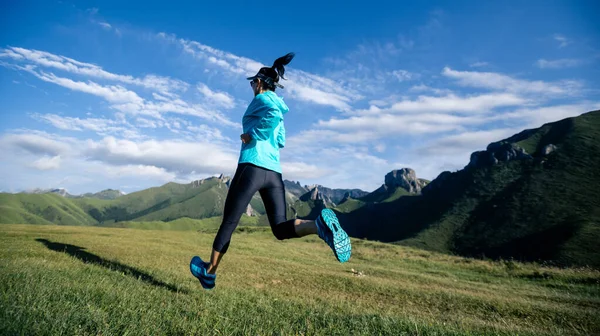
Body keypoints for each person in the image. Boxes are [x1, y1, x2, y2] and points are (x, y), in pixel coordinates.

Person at [189, 53, 352, 290]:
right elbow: (281, 139)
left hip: (252, 167)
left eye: (252, 83)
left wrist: (251, 135)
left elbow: (271, 119)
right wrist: (263, 132)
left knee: (229, 222)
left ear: (258, 83)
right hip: (273, 173)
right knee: (279, 228)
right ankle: (318, 226)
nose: (251, 86)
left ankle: (209, 273)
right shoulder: (278, 104)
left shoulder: (262, 100)